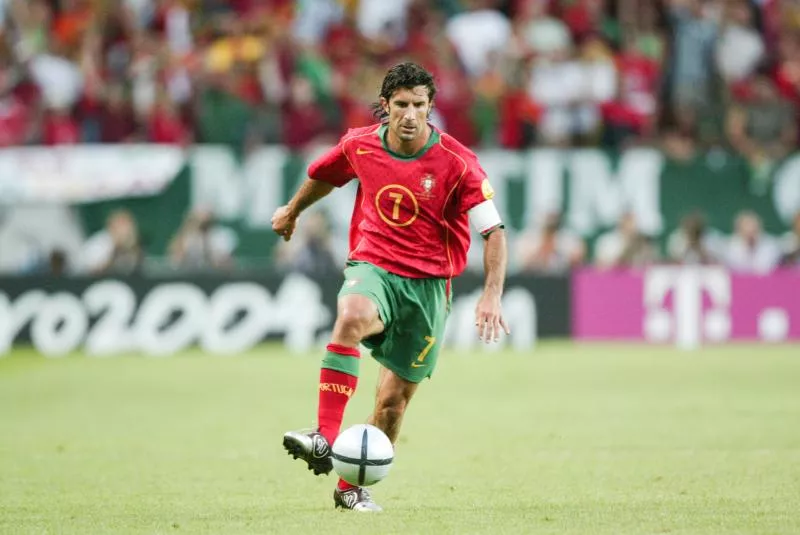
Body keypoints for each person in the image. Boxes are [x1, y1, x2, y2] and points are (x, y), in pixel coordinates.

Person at [271, 62, 509, 512]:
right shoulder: (360, 145)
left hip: (429, 288)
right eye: (401, 105)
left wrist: (492, 293)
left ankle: (349, 490)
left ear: (430, 108)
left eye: (419, 105)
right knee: (352, 315)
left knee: (392, 403)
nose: (410, 115)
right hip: (374, 264)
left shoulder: (458, 164)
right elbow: (325, 174)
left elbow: (493, 231)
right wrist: (292, 210)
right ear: (385, 107)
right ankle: (324, 436)